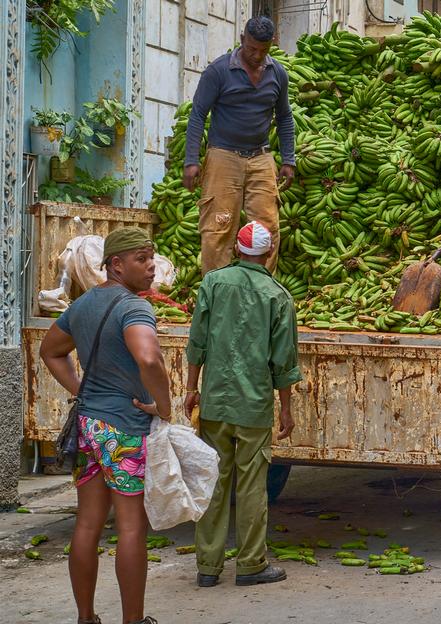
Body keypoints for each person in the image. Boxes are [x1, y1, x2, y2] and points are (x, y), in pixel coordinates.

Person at [39, 227, 172, 624]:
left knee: (87, 524)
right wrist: (162, 406)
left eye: (152, 258)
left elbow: (51, 351)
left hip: (89, 426)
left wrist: (82, 389)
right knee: (131, 527)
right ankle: (133, 621)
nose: (152, 268)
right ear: (115, 265)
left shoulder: (82, 305)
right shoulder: (135, 308)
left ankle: (86, 618)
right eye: (141, 259)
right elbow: (149, 359)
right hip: (125, 429)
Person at [187, 221, 302, 587]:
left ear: (237, 249)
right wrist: (285, 408)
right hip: (253, 405)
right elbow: (283, 360)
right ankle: (251, 564)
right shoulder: (277, 295)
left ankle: (207, 567)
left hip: (215, 403)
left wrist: (191, 386)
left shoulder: (213, 283)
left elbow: (197, 341)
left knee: (213, 483)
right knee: (251, 485)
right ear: (269, 255)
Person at [184, 16, 295, 274]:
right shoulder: (219, 71)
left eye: (263, 50)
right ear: (242, 39)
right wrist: (191, 160)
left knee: (267, 228)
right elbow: (198, 114)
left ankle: (262, 289)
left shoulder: (277, 73)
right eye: (252, 48)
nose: (257, 55)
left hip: (261, 157)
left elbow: (285, 117)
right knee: (219, 227)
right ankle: (217, 290)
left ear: (272, 45)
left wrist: (288, 159)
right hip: (223, 155)